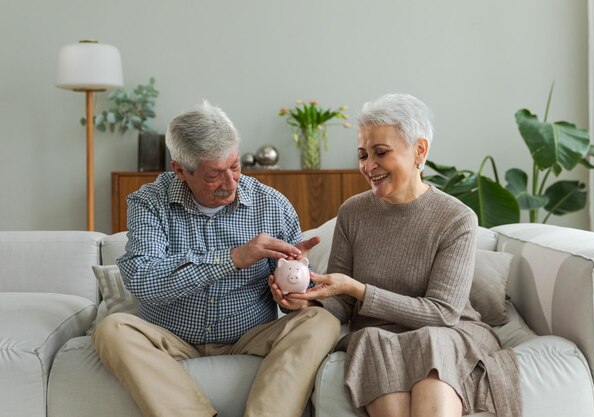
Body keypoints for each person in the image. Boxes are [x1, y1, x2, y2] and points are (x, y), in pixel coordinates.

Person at [92, 101, 340, 417]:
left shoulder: (272, 205)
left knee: (322, 321)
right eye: (214, 174)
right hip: (171, 336)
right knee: (112, 328)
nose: (231, 182)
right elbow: (145, 279)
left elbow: (298, 284)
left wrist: (296, 297)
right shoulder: (149, 203)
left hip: (249, 335)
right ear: (180, 170)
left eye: (234, 166)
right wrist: (234, 257)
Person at [287, 94, 522, 417]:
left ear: (420, 151)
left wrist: (360, 290)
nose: (368, 166)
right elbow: (341, 302)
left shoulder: (456, 218)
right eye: (363, 154)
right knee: (371, 340)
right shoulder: (353, 212)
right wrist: (307, 299)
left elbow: (442, 313)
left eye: (381, 153)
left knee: (433, 343)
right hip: (379, 336)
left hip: (448, 333)